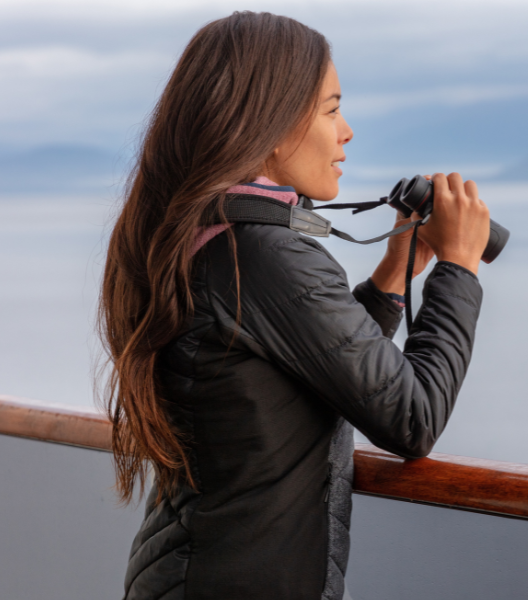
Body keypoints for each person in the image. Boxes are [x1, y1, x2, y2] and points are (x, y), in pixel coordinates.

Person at [98, 11, 490, 600]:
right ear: (272, 126)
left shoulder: (202, 230)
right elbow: (413, 419)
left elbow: (316, 355)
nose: (347, 132)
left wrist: (393, 271)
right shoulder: (261, 252)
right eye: (332, 110)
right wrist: (459, 268)